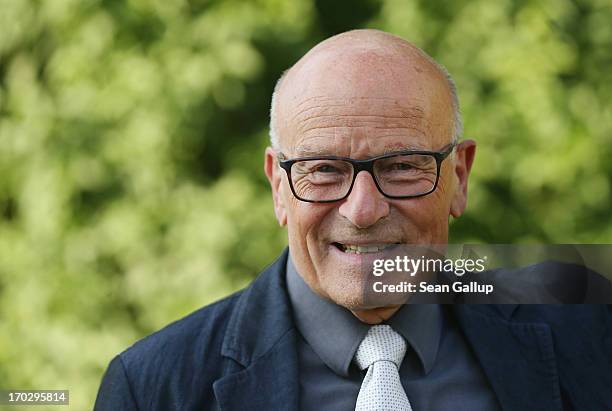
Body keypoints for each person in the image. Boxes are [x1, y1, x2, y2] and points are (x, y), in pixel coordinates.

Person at [94, 29, 612, 411]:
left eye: (402, 166)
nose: (363, 210)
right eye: (323, 170)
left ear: (459, 176)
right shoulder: (155, 388)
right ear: (278, 186)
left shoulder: (590, 331)